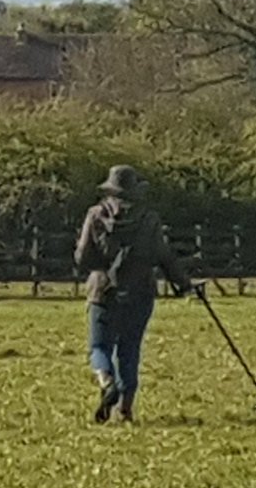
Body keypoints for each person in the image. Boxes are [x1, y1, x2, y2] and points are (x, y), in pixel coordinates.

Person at [74, 165, 190, 424]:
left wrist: (98, 266)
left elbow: (82, 257)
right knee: (130, 349)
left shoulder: (96, 215)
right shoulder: (149, 219)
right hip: (139, 291)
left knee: (99, 346)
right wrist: (182, 283)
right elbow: (163, 255)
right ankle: (125, 409)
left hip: (103, 290)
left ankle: (106, 381)